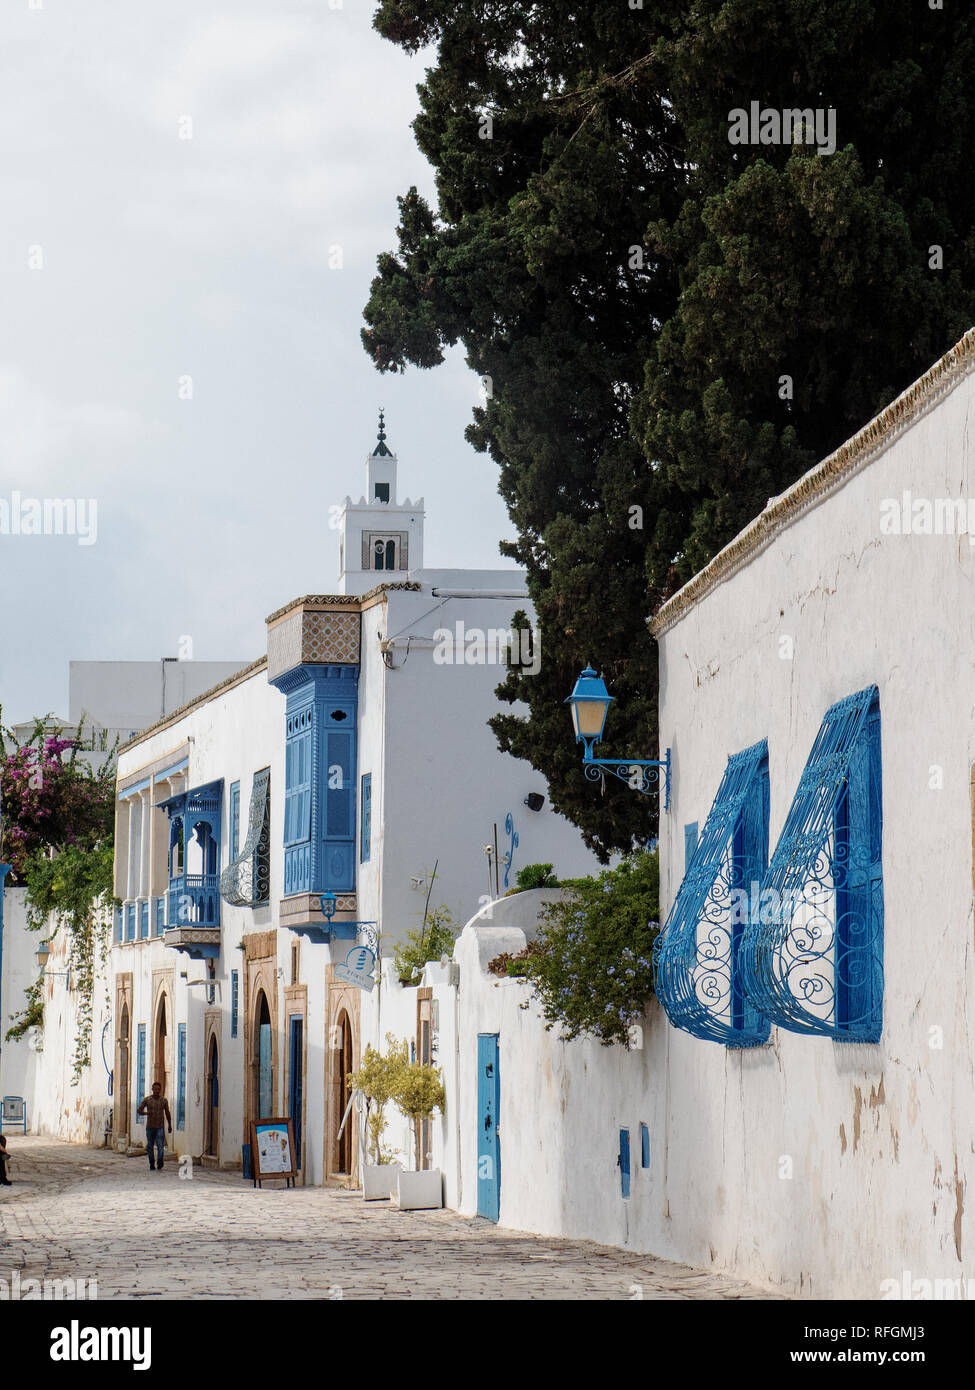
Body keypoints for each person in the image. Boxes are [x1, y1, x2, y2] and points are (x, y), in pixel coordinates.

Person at [137, 1082, 172, 1171]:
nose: (156, 1091)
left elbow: (167, 1113)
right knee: (150, 1146)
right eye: (155, 1089)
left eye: (158, 1089)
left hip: (160, 1126)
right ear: (152, 1089)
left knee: (160, 1146)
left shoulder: (164, 1100)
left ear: (160, 1090)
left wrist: (169, 1125)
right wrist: (146, 1113)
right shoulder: (147, 1100)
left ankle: (160, 1162)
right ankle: (151, 1163)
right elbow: (139, 1110)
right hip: (150, 1127)